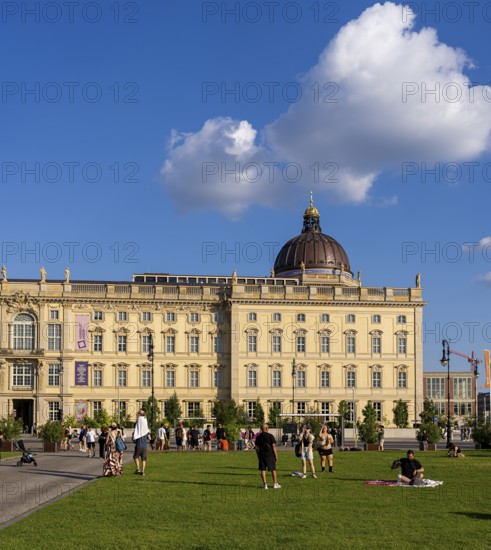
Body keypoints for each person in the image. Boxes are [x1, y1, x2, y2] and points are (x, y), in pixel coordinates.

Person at [255, 423, 280, 489]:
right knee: (273, 469)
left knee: (263, 470)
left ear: (261, 429)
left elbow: (256, 447)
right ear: (266, 428)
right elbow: (273, 446)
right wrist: (276, 455)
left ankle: (265, 484)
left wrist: (258, 455)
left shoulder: (258, 437)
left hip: (262, 455)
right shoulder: (270, 436)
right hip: (270, 455)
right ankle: (275, 484)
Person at [133, 409, 150, 476]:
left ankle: (138, 469)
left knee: (135, 457)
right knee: (144, 459)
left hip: (138, 445)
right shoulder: (146, 429)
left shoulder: (139, 422)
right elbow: (149, 438)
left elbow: (136, 431)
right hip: (145, 446)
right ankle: (143, 471)